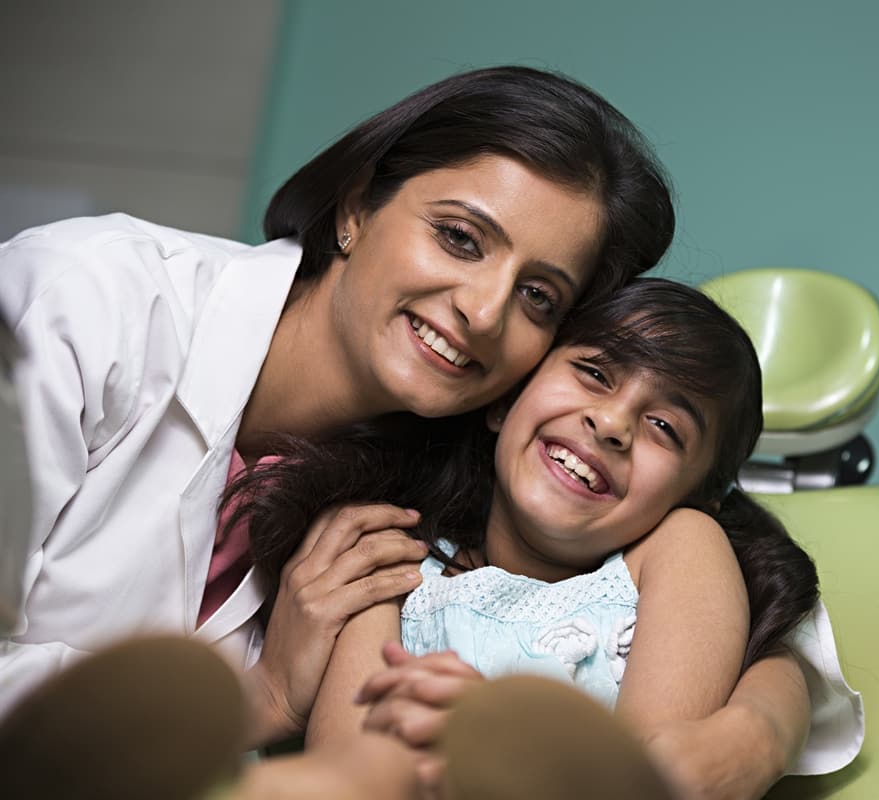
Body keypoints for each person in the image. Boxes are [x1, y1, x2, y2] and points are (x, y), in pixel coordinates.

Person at [0, 64, 858, 797]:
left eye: (538, 298)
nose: (484, 313)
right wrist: (259, 696)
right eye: (459, 237)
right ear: (354, 206)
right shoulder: (86, 303)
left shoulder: (461, 468)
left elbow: (741, 567)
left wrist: (760, 725)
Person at [229, 279, 825, 795]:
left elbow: (656, 776)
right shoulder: (388, 559)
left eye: (665, 427)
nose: (612, 424)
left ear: (695, 495)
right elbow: (347, 781)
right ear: (504, 401)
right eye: (594, 374)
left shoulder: (679, 548)